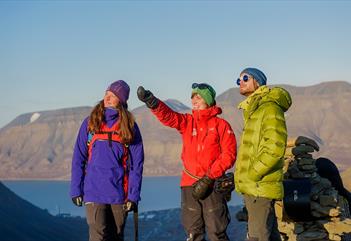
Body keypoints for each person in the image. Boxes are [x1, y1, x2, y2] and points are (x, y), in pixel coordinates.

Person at [137, 83, 237, 241]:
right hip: (189, 183)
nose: (194, 100)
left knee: (217, 232)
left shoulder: (221, 126)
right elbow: (169, 117)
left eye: (198, 97)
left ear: (208, 100)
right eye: (192, 97)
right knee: (193, 234)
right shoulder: (187, 122)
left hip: (212, 184)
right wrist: (152, 101)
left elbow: (229, 154)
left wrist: (209, 177)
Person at [70, 80, 144, 241]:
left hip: (119, 194)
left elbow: (136, 165)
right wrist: (76, 189)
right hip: (93, 192)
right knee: (98, 237)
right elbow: (79, 157)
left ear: (122, 101)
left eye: (113, 95)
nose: (108, 98)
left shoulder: (129, 126)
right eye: (106, 94)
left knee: (116, 237)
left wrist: (133, 195)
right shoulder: (90, 123)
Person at [234, 68, 292, 241]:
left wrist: (253, 174)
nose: (241, 82)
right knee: (270, 235)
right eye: (238, 80)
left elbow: (274, 148)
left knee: (257, 237)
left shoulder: (270, 109)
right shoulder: (254, 110)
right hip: (256, 186)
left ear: (258, 82)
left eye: (245, 78)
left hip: (259, 185)